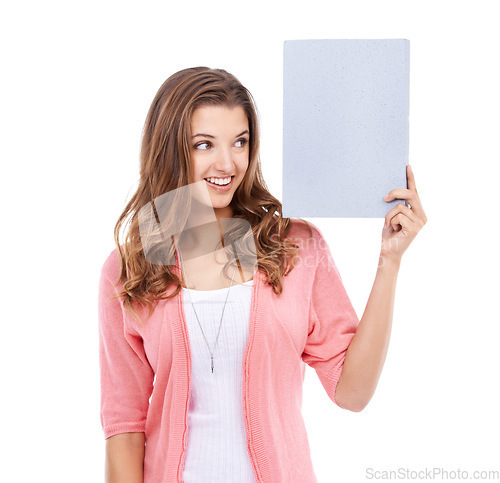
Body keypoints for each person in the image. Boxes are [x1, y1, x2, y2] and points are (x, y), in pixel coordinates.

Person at [98, 66, 427, 483]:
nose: (227, 162)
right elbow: (124, 426)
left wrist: (390, 261)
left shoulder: (294, 246)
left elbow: (352, 392)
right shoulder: (131, 269)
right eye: (204, 145)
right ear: (169, 150)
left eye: (240, 141)